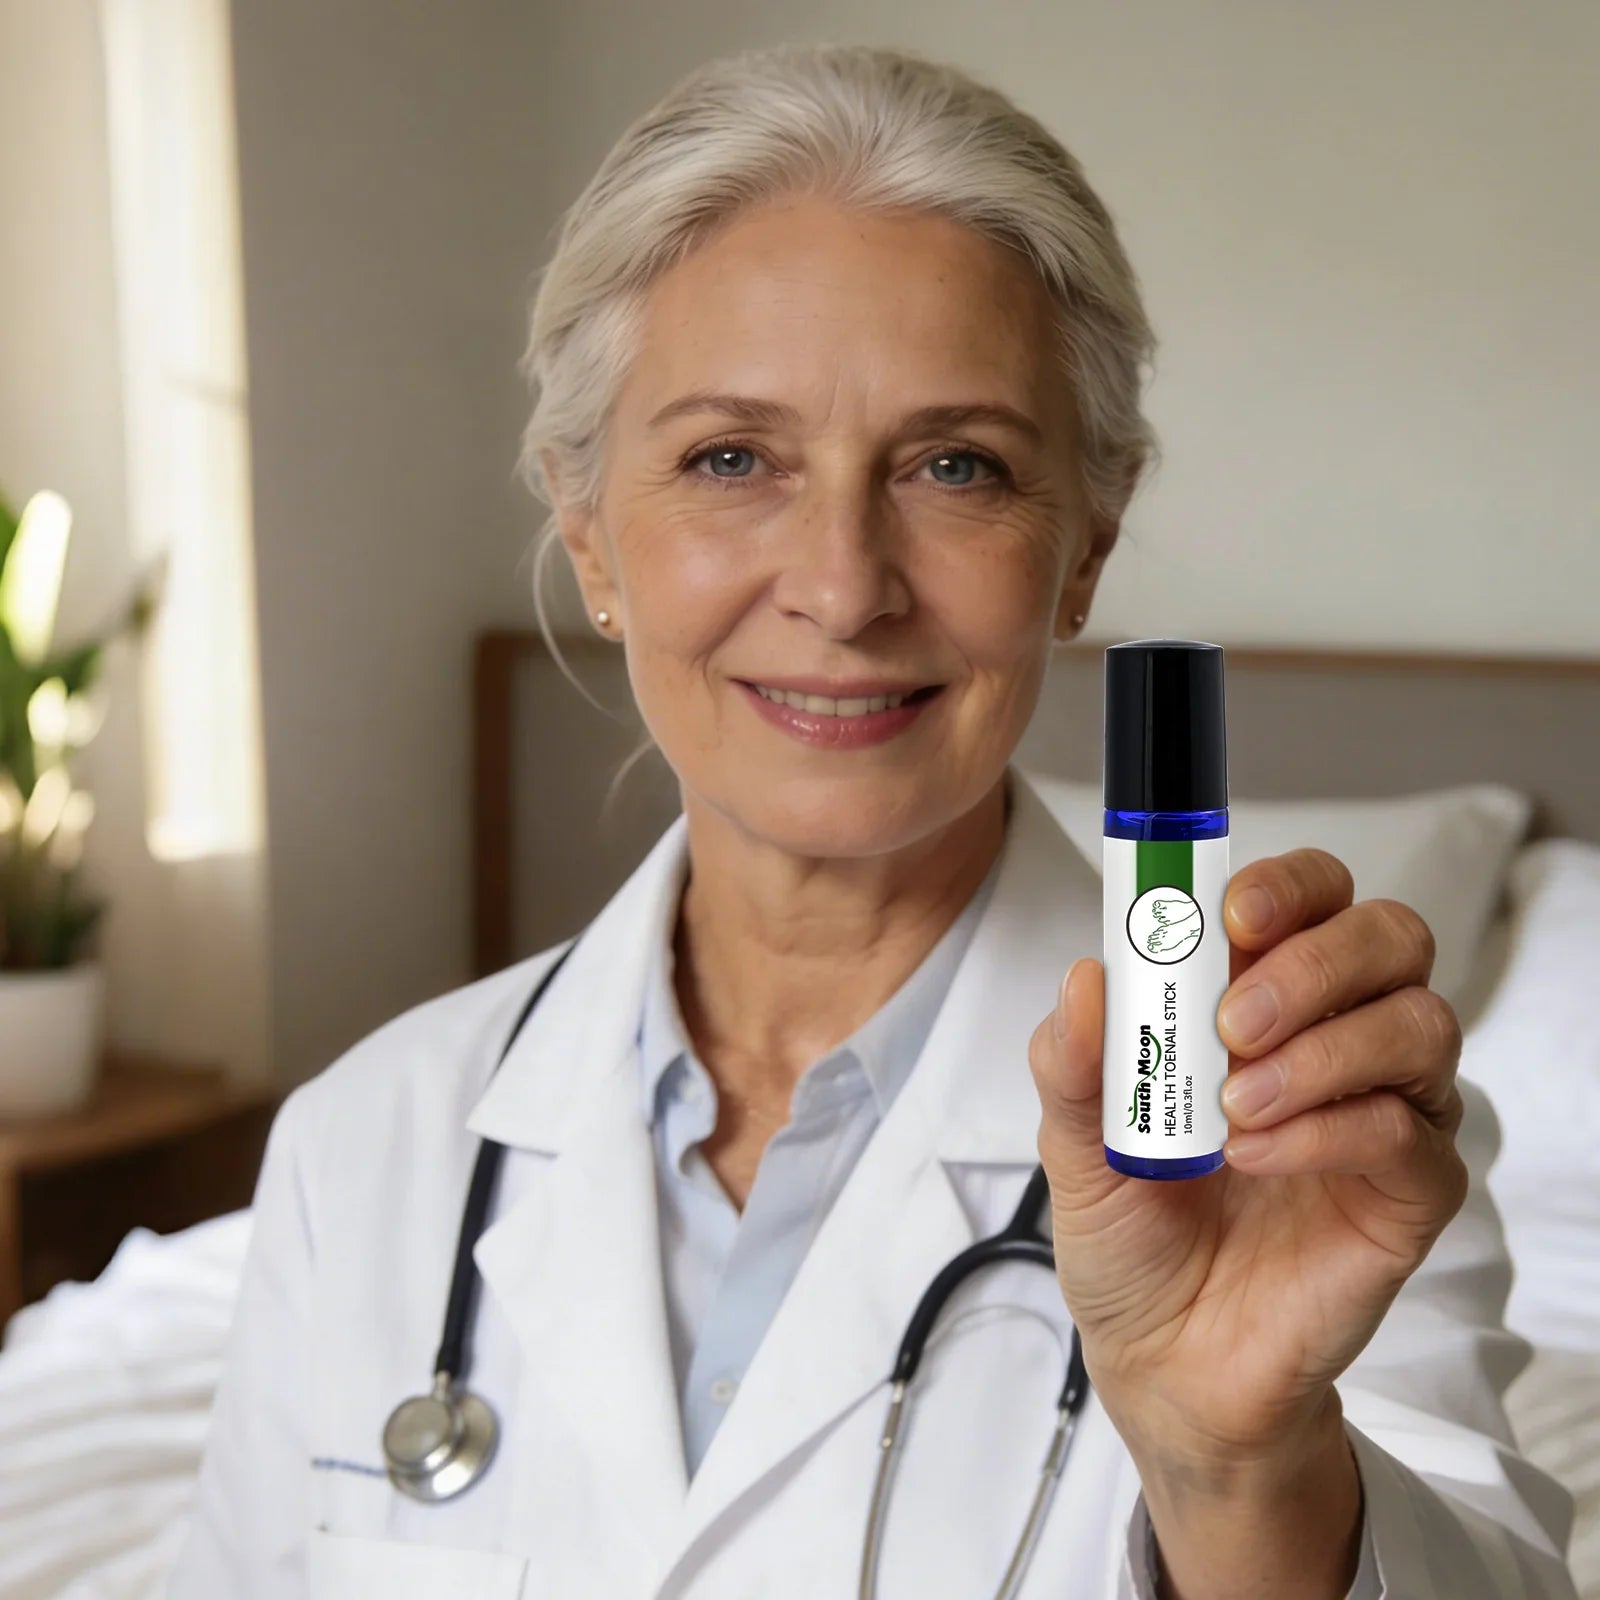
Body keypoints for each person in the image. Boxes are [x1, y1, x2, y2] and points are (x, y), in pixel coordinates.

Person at [169, 42, 1579, 1600]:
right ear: (590, 536)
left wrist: (1241, 1473)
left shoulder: (1296, 1133)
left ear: (1086, 550)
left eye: (955, 466)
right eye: (730, 459)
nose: (842, 586)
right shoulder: (365, 1147)